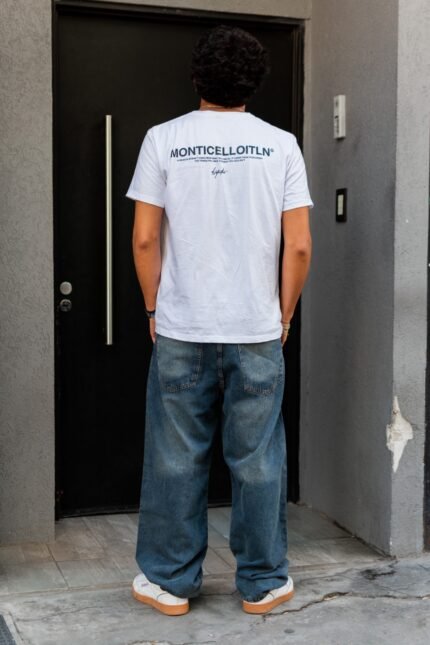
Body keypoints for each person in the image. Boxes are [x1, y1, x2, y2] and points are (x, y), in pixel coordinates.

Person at [125, 24, 313, 617]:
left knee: (175, 458)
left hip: (182, 328)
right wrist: (283, 316)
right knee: (258, 461)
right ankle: (262, 584)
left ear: (196, 77)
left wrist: (154, 307)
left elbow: (144, 237)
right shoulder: (281, 145)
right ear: (254, 82)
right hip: (256, 330)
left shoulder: (163, 139)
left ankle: (170, 583)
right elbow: (299, 245)